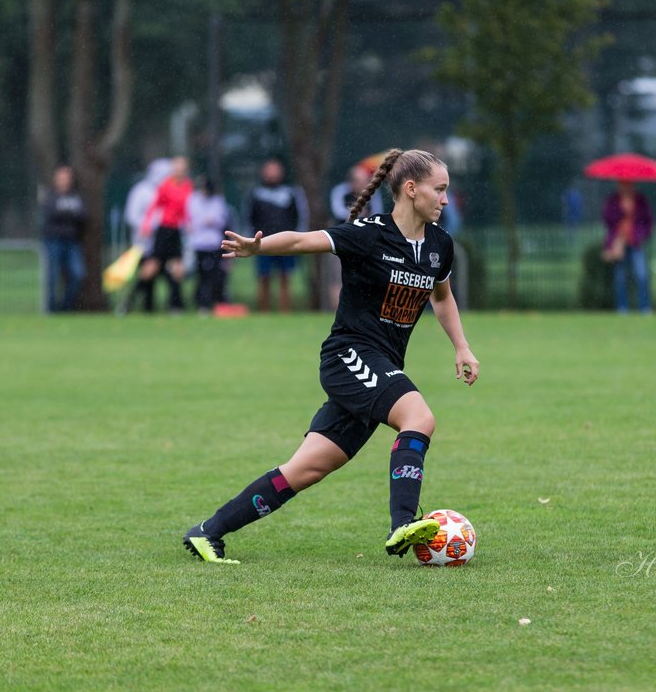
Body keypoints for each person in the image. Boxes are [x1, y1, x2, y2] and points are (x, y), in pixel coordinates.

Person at [182, 148, 479, 564]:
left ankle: (207, 532)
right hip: (350, 356)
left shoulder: (439, 245)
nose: (445, 199)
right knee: (419, 418)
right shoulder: (369, 234)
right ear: (411, 190)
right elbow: (305, 240)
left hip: (381, 366)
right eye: (440, 189)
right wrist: (258, 249)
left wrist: (462, 347)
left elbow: (442, 298)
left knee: (304, 470)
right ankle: (401, 526)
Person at [245, 158, 308, 312]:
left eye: (275, 170)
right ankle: (264, 312)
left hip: (286, 244)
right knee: (263, 278)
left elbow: (299, 216)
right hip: (262, 244)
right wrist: (251, 241)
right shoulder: (256, 194)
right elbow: (250, 218)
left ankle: (284, 312)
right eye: (269, 170)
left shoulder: (291, 193)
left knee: (285, 278)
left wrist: (298, 239)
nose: (272, 173)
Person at [131, 157, 192, 314]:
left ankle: (176, 306)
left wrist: (188, 223)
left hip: (176, 232)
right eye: (177, 167)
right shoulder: (166, 186)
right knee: (150, 268)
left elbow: (184, 209)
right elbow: (154, 207)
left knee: (177, 270)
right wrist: (145, 225)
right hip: (163, 231)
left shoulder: (187, 186)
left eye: (182, 168)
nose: (180, 170)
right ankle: (129, 303)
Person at [326, 164, 384, 309]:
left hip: (365, 242)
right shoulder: (340, 191)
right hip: (340, 241)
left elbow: (378, 214)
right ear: (351, 182)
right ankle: (337, 311)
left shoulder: (372, 193)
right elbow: (339, 213)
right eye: (359, 181)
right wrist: (359, 214)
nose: (364, 184)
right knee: (337, 278)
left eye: (366, 181)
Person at [120, 158, 173, 313]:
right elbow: (132, 215)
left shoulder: (169, 191)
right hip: (144, 243)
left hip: (164, 242)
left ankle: (173, 307)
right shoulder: (141, 191)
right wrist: (148, 225)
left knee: (168, 275)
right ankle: (138, 306)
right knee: (147, 278)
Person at [600, 179, 653, 313]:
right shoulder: (613, 200)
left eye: (628, 183)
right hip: (619, 244)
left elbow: (648, 222)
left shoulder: (640, 200)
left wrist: (641, 236)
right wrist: (623, 211)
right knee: (620, 278)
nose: (625, 186)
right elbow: (607, 218)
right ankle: (622, 309)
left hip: (635, 243)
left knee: (642, 275)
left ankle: (645, 308)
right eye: (622, 183)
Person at [40, 165, 87, 313]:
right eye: (61, 178)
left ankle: (66, 307)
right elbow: (51, 214)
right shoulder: (50, 196)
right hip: (53, 241)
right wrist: (70, 213)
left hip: (72, 242)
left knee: (78, 274)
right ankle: (51, 309)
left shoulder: (76, 197)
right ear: (56, 180)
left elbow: (84, 216)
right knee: (52, 276)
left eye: (67, 178)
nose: (64, 181)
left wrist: (64, 213)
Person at [185, 175, 230, 314]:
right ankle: (202, 304)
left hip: (214, 244)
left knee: (216, 275)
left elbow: (220, 220)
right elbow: (193, 220)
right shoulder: (193, 200)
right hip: (199, 244)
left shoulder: (217, 201)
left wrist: (209, 221)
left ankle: (218, 303)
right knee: (202, 276)